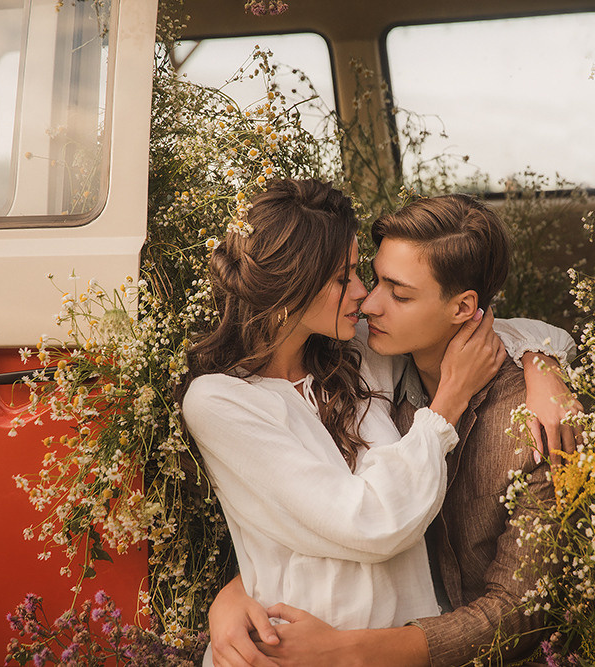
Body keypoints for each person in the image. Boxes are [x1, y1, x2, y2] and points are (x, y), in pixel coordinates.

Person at [183, 180, 564, 665]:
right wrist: (446, 405)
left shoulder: (359, 354)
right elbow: (362, 521)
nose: (365, 297)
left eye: (364, 274)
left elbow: (482, 325)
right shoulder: (220, 401)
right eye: (345, 277)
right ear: (292, 286)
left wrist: (542, 364)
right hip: (283, 651)